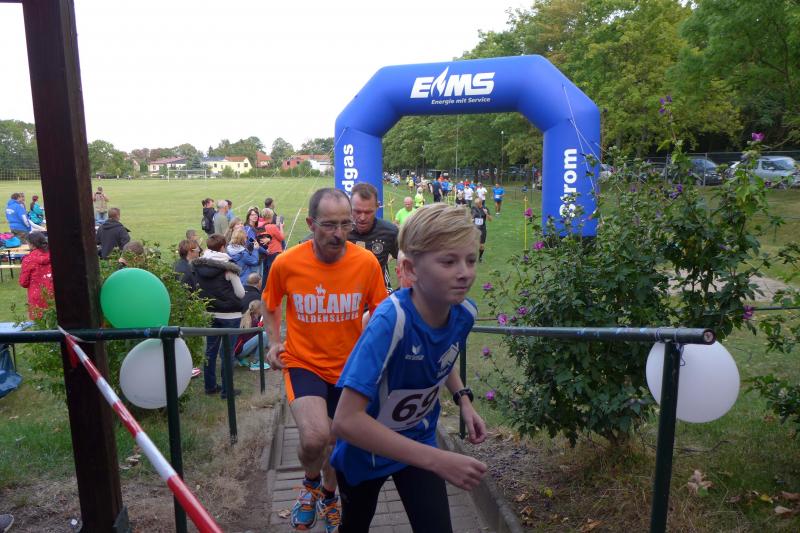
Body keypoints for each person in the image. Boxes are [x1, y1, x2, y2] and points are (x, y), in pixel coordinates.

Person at [331, 203, 487, 532]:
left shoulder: (464, 313)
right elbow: (345, 421)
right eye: (449, 261)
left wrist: (463, 400)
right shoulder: (391, 321)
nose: (465, 272)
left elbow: (442, 357)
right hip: (366, 450)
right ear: (409, 269)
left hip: (418, 438)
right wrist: (439, 458)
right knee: (355, 526)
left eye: (471, 260)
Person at [263, 188, 387, 532]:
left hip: (350, 368)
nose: (339, 233)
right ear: (310, 223)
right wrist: (273, 342)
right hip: (303, 362)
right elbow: (270, 303)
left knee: (338, 442)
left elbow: (381, 312)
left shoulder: (366, 263)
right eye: (329, 225)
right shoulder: (287, 262)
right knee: (315, 437)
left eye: (346, 224)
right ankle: (310, 483)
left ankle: (328, 496)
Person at [193, 234, 244, 399]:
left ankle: (210, 386)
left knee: (210, 350)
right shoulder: (229, 267)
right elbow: (241, 293)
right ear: (222, 247)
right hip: (230, 315)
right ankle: (227, 390)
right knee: (227, 353)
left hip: (209, 312)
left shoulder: (199, 266)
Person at [348, 182, 399, 292]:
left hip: (379, 294)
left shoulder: (390, 232)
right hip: (347, 295)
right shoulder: (340, 231)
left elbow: (408, 259)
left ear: (377, 206)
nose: (362, 217)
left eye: (368, 212)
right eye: (357, 211)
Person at [19, 231, 53, 319]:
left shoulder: (28, 260)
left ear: (32, 245)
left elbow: (23, 282)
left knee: (39, 324)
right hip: (54, 294)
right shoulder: (55, 256)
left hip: (37, 296)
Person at [258, 209, 284, 285]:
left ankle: (264, 289)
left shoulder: (260, 226)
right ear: (271, 216)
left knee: (266, 273)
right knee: (274, 274)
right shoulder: (272, 227)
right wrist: (281, 227)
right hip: (274, 252)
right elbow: (281, 238)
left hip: (265, 252)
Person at [471, 197, 492, 262]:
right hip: (474, 228)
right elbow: (470, 217)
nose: (475, 204)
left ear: (480, 203)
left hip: (482, 229)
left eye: (476, 203)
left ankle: (480, 257)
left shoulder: (485, 208)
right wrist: (471, 220)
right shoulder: (473, 208)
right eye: (475, 203)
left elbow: (490, 219)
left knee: (481, 245)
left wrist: (486, 213)